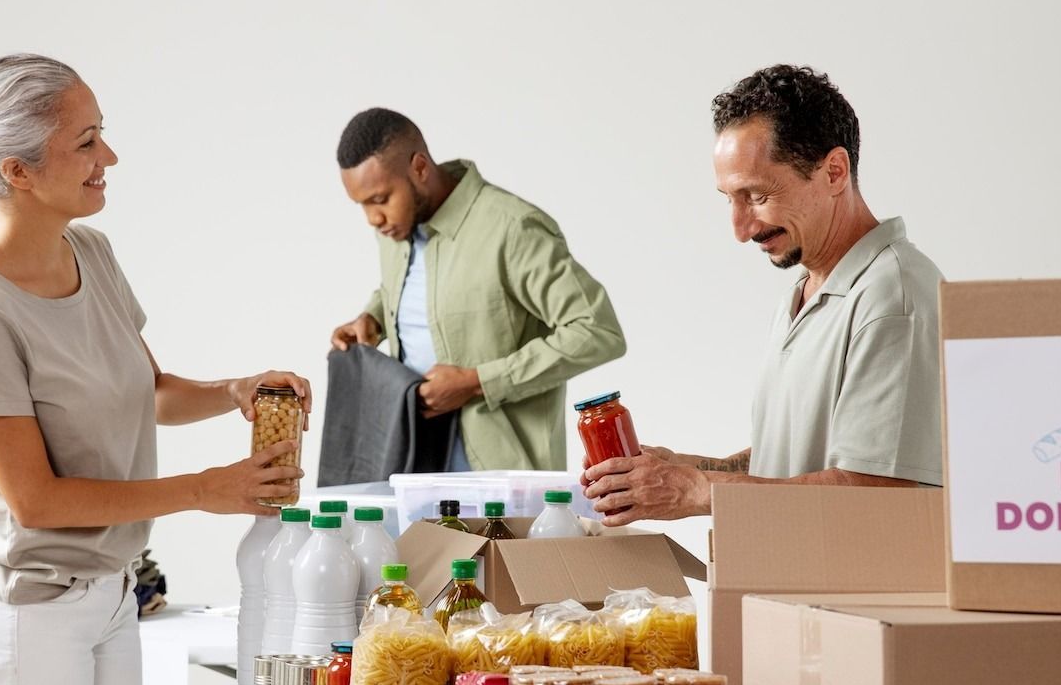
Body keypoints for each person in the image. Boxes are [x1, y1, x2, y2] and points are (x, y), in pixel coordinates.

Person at [0, 53, 310, 685]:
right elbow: (39, 500)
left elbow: (146, 391)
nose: (110, 160)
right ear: (20, 171)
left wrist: (231, 391)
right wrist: (207, 488)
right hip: (28, 612)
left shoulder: (88, 254)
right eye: (87, 142)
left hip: (109, 598)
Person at [583, 64, 944, 526]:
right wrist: (684, 467)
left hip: (853, 596)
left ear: (834, 171)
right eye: (729, 198)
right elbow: (799, 461)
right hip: (789, 584)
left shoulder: (893, 298)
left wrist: (695, 490)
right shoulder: (809, 290)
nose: (740, 229)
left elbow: (877, 491)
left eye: (756, 195)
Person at [329, 108, 626, 472]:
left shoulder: (512, 228)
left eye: (380, 199)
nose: (372, 219)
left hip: (499, 477)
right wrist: (374, 318)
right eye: (361, 205)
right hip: (411, 466)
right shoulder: (396, 231)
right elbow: (420, 285)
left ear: (420, 168)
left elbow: (597, 330)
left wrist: (476, 382)